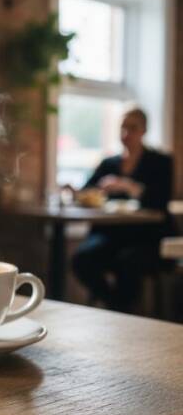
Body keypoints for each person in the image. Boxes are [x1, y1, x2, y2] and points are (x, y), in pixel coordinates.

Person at [71, 108, 174, 313]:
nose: (126, 133)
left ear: (144, 131)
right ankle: (117, 306)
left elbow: (160, 202)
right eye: (123, 127)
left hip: (148, 237)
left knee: (128, 261)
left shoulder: (161, 162)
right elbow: (87, 192)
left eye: (132, 128)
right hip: (113, 235)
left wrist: (128, 186)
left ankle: (121, 309)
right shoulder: (109, 164)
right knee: (82, 259)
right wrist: (74, 192)